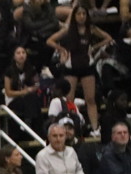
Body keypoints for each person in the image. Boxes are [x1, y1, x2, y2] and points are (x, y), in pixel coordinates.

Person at [47, 3, 114, 136]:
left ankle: (95, 128)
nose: (81, 16)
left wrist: (94, 48)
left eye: (84, 14)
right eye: (78, 14)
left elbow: (108, 38)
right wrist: (62, 50)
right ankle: (70, 127)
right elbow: (50, 41)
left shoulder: (91, 28)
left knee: (90, 99)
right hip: (71, 67)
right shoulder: (68, 29)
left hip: (87, 66)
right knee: (69, 99)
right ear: (74, 16)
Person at [3, 45, 43, 131]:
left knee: (33, 98)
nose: (21, 55)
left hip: (28, 98)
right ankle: (29, 123)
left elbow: (37, 85)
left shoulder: (31, 69)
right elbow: (8, 92)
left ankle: (30, 123)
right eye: (18, 53)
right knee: (31, 99)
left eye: (23, 52)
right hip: (13, 100)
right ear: (14, 56)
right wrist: (24, 92)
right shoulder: (9, 71)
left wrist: (32, 89)